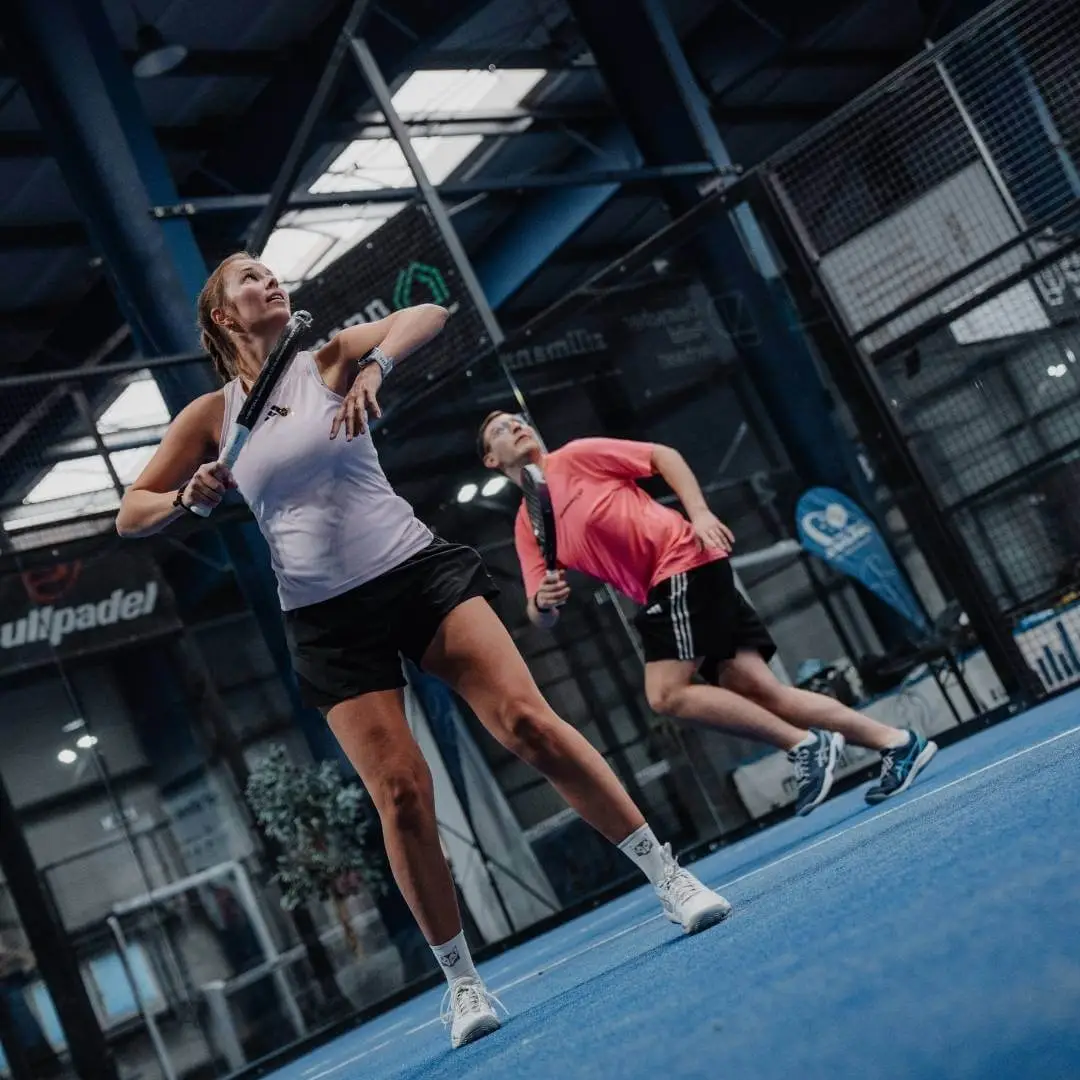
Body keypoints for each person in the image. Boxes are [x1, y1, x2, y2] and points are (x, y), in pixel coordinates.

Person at [115, 254, 731, 1050]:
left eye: (273, 272)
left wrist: (373, 366)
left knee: (527, 724)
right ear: (224, 318)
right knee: (402, 794)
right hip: (325, 619)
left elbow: (430, 312)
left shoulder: (328, 358)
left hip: (415, 572)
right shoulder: (210, 416)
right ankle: (463, 983)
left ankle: (669, 876)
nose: (270, 282)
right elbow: (129, 514)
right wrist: (183, 497)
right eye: (249, 279)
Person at [478, 413, 938, 816]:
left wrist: (698, 513)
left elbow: (663, 456)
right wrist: (544, 602)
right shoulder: (528, 524)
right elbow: (541, 612)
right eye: (501, 428)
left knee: (665, 695)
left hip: (680, 562)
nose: (516, 425)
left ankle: (806, 744)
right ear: (491, 461)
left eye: (517, 418)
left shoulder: (577, 456)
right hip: (675, 582)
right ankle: (898, 744)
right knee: (766, 693)